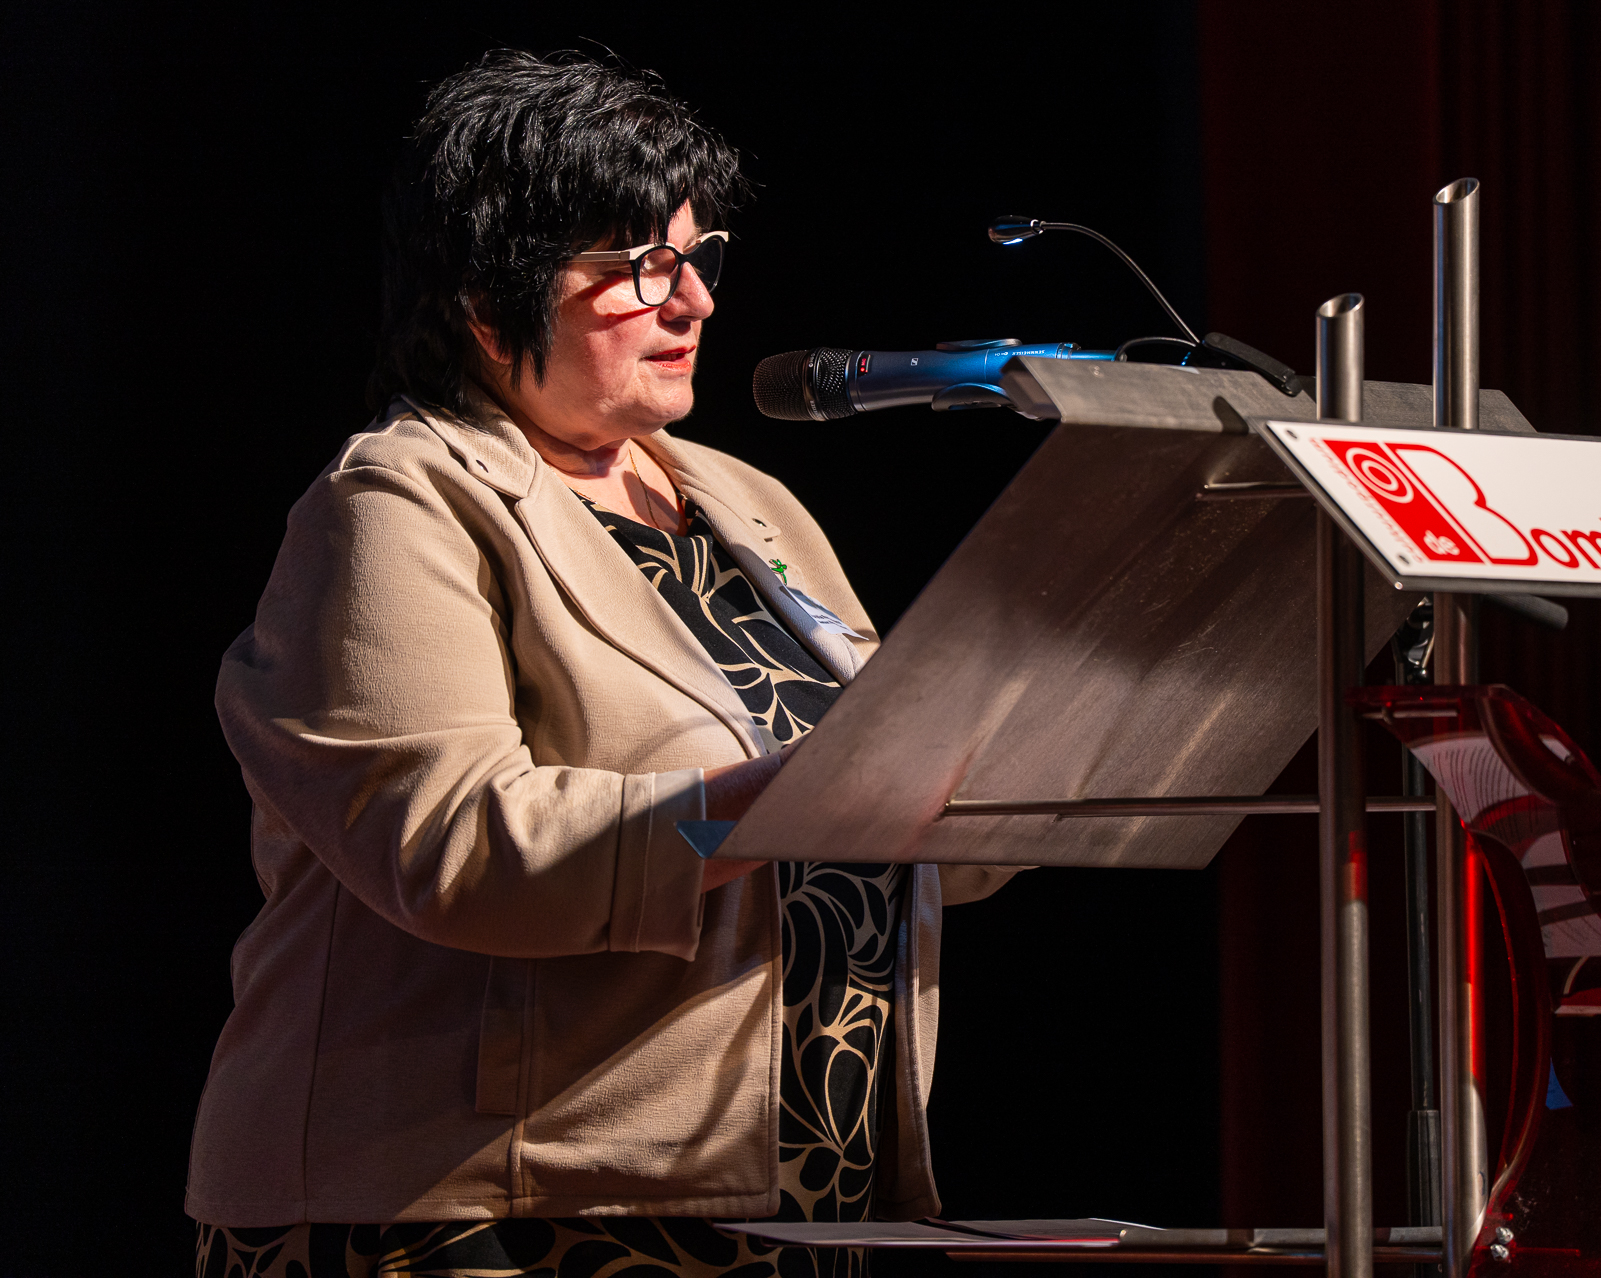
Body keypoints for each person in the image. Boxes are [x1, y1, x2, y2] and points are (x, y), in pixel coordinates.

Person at [188, 51, 1020, 1278]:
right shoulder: (399, 501)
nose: (697, 303)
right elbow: (456, 846)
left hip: (800, 1193)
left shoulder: (746, 502)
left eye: (700, 257)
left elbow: (914, 808)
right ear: (488, 300)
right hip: (482, 1215)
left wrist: (1032, 766)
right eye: (643, 267)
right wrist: (776, 801)